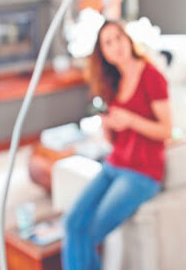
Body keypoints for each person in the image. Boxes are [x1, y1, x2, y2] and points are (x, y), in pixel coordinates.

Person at [62, 21, 172, 270]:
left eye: (118, 38)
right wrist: (108, 126)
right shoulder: (112, 82)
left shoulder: (151, 76)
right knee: (71, 224)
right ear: (103, 53)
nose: (115, 46)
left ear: (128, 39)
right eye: (107, 43)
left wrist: (131, 120)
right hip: (114, 165)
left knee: (88, 234)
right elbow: (113, 142)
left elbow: (165, 130)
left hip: (142, 173)